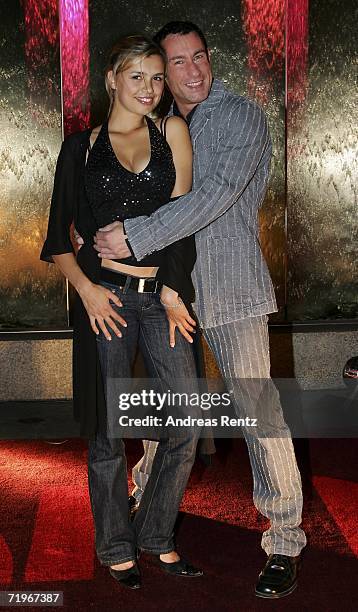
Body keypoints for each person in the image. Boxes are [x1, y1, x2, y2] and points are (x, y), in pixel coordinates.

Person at [91, 21, 307, 599]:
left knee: (260, 414)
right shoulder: (154, 125)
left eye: (199, 57)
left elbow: (212, 195)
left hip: (232, 288)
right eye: (177, 63)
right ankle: (146, 499)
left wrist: (135, 235)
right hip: (170, 292)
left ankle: (284, 539)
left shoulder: (238, 116)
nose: (193, 71)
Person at [40, 34, 204, 590]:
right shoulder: (80, 148)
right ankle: (115, 544)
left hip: (162, 299)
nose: (151, 89)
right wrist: (86, 291)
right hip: (105, 298)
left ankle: (156, 533)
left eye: (158, 78)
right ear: (112, 79)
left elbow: (182, 223)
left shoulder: (171, 132)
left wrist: (172, 289)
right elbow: (58, 241)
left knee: (186, 422)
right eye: (138, 77)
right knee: (109, 433)